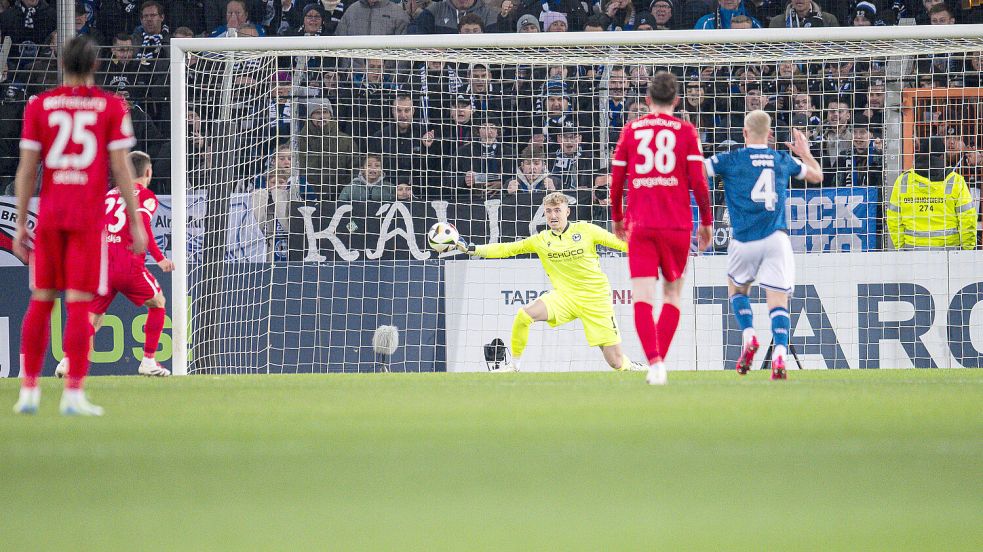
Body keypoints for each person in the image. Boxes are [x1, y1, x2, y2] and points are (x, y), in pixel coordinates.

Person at [12, 36, 147, 416]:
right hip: (87, 221)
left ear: (63, 64)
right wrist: (135, 222)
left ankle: (29, 392)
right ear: (95, 65)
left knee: (40, 303)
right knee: (78, 306)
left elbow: (27, 169)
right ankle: (73, 394)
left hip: (51, 218)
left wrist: (22, 222)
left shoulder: (39, 105)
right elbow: (121, 169)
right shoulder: (109, 107)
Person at [456, 192, 644, 373]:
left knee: (616, 363)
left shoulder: (586, 230)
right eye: (548, 211)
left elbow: (620, 243)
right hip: (565, 298)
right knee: (524, 315)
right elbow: (506, 249)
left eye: (557, 210)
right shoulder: (541, 240)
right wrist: (472, 249)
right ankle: (514, 366)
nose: (553, 215)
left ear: (567, 212)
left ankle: (631, 365)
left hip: (595, 299)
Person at [609, 71, 713, 385]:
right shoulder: (686, 131)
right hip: (677, 224)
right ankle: (659, 365)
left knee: (642, 296)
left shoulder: (631, 129)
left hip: (640, 223)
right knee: (672, 295)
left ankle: (654, 362)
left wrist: (617, 216)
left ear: (647, 100)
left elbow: (616, 181)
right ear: (677, 100)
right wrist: (707, 221)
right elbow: (699, 181)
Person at [704, 112, 822, 380]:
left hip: (744, 239)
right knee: (777, 301)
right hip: (775, 239)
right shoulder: (782, 159)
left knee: (736, 290)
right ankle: (780, 353)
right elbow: (817, 176)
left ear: (745, 133)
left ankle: (748, 335)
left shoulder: (731, 159)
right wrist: (804, 152)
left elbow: (697, 171)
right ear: (769, 135)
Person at [55, 151, 172, 379]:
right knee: (158, 303)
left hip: (102, 267)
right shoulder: (145, 195)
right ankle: (148, 360)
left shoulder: (109, 195)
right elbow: (142, 225)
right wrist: (160, 258)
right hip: (128, 265)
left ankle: (67, 360)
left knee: (93, 319)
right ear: (148, 172)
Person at [886, 155, 978, 251]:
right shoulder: (956, 181)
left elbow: (893, 218)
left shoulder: (903, 181)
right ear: (943, 157)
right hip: (949, 252)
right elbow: (967, 218)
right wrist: (967, 248)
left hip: (912, 251)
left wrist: (900, 247)